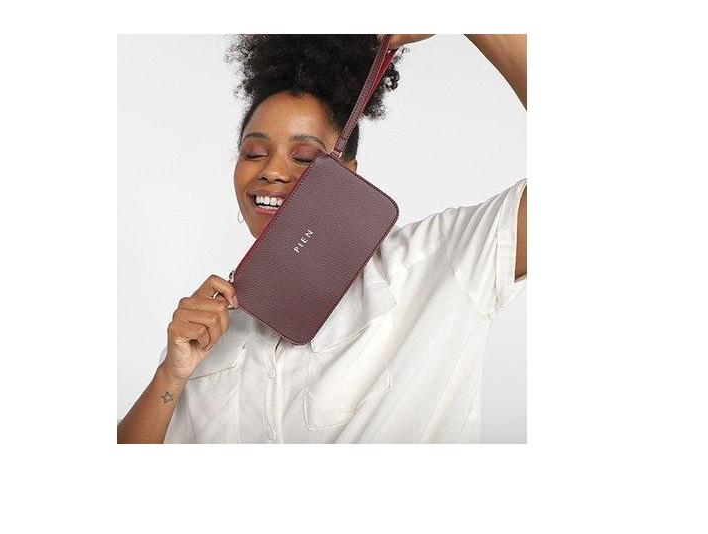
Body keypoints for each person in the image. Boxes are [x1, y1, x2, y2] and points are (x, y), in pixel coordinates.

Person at [117, 34, 527, 444]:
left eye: (304, 157)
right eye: (254, 153)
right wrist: (170, 375)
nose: (271, 171)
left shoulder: (437, 264)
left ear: (348, 173)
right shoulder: (207, 336)